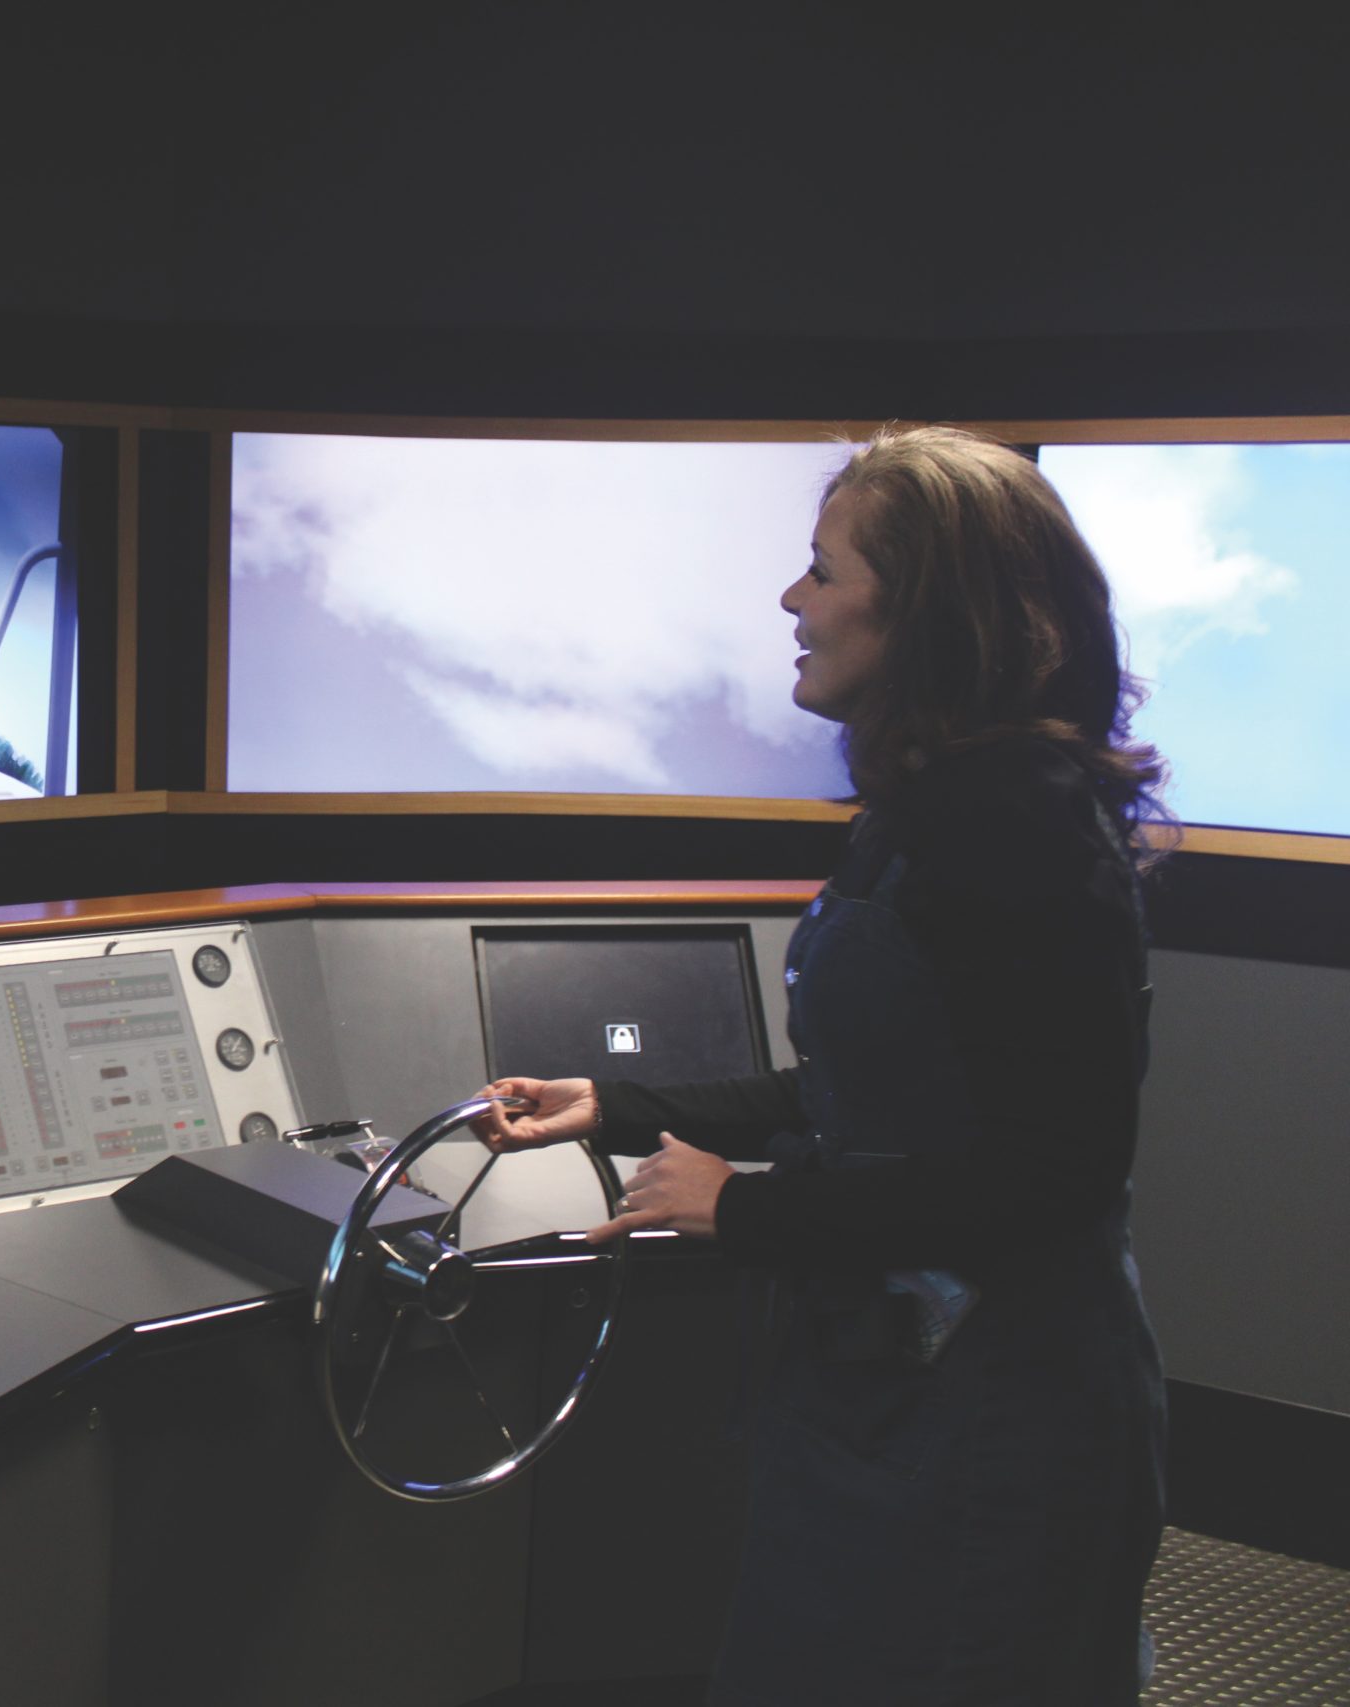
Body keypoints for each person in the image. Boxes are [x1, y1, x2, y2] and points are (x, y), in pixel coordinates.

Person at [476, 425, 1169, 1705]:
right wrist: (619, 1106)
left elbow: (1054, 1172)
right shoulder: (940, 804)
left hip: (992, 1422)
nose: (792, 603)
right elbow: (883, 1096)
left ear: (930, 611)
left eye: (825, 572)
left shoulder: (1010, 825)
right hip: (899, 1391)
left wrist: (744, 1206)